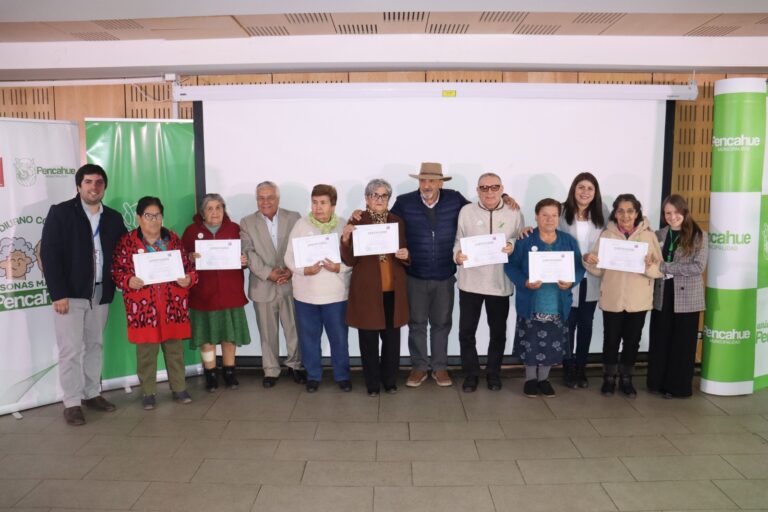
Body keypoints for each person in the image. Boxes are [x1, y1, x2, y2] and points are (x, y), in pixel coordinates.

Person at [390, 163, 518, 388]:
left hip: (444, 274)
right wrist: (360, 214)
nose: (427, 185)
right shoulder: (404, 202)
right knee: (417, 323)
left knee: (442, 323)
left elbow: (484, 205)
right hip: (415, 274)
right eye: (423, 180)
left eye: (432, 180)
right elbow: (389, 226)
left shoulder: (455, 200)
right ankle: (419, 367)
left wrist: (504, 197)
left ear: (441, 182)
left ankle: (440, 367)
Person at [40, 163, 127, 426]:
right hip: (71, 295)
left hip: (101, 293)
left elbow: (125, 251)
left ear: (104, 187)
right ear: (79, 186)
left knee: (95, 346)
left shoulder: (112, 217)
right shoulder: (61, 213)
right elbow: (49, 255)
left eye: (99, 182)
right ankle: (72, 402)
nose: (94, 187)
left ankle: (92, 394)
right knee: (70, 350)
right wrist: (58, 293)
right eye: (88, 182)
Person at [111, 196, 197, 410]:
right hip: (142, 309)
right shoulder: (127, 242)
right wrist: (128, 280)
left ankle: (179, 388)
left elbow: (189, 268)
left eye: (157, 215)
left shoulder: (173, 240)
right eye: (148, 215)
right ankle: (148, 392)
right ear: (139, 218)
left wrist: (189, 279)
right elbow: (116, 270)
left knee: (175, 350)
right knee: (146, 353)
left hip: (172, 306)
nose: (153, 220)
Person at [584, 193, 662, 398]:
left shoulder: (648, 236)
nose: (625, 216)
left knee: (632, 341)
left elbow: (658, 271)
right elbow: (598, 270)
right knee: (610, 340)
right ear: (615, 213)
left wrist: (649, 266)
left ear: (637, 213)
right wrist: (588, 260)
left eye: (630, 211)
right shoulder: (607, 235)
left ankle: (626, 379)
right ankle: (608, 379)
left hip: (638, 300)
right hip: (612, 298)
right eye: (620, 211)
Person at [505, 198, 584, 398]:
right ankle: (531, 379)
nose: (549, 219)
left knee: (552, 344)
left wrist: (571, 281)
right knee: (530, 343)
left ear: (559, 217)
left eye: (554, 215)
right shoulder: (525, 240)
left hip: (557, 305)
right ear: (536, 217)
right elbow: (510, 265)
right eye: (544, 215)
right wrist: (524, 282)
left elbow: (579, 267)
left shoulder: (568, 241)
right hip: (531, 303)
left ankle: (544, 379)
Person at [454, 173, 524, 392]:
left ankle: (494, 372)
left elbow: (520, 237)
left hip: (499, 283)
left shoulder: (514, 211)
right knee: (466, 331)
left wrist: (512, 244)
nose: (489, 192)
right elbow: (458, 240)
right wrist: (457, 255)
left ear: (502, 188)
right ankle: (471, 373)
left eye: (494, 187)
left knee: (498, 333)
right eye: (484, 188)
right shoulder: (466, 212)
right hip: (470, 283)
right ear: (477, 190)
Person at [341, 179, 410, 396]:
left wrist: (407, 255)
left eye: (383, 196)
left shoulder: (397, 221)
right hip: (367, 291)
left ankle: (390, 381)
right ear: (367, 199)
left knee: (391, 341)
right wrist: (345, 238)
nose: (378, 200)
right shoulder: (357, 221)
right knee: (368, 341)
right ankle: (372, 384)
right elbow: (350, 260)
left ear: (389, 198)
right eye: (374, 195)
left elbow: (406, 250)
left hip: (393, 290)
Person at [285, 184, 352, 393]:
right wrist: (305, 270)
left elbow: (353, 258)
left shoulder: (343, 226)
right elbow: (289, 257)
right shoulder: (301, 225)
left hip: (336, 294)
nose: (318, 207)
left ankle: (342, 375)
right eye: (314, 202)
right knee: (309, 338)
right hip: (306, 294)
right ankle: (313, 375)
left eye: (323, 203)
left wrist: (338, 267)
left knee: (339, 337)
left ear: (333, 205)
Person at [240, 181, 307, 388]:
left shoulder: (294, 217)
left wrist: (289, 270)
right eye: (261, 197)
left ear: (278, 198)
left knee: (293, 329)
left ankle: (295, 365)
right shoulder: (246, 222)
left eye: (270, 197)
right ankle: (271, 370)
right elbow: (248, 252)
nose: (265, 201)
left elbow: (299, 247)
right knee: (267, 332)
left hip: (290, 282)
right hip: (263, 285)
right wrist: (269, 274)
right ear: (256, 199)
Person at [182, 193, 250, 392]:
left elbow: (245, 255)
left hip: (230, 293)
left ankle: (230, 373)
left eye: (218, 207)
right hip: (203, 295)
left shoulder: (235, 229)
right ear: (202, 213)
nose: (214, 212)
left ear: (224, 210)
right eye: (210, 208)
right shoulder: (191, 231)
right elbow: (181, 258)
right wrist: (190, 257)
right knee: (206, 338)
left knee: (229, 337)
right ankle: (210, 374)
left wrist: (244, 260)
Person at [648, 194, 707, 398]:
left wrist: (665, 266)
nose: (672, 217)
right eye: (668, 213)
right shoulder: (657, 234)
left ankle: (678, 387)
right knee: (661, 339)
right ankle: (657, 382)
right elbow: (650, 261)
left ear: (684, 212)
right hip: (663, 293)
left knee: (682, 343)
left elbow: (698, 266)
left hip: (687, 297)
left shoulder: (699, 235)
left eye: (676, 212)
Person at [558, 172, 609, 389]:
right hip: (567, 277)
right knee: (567, 325)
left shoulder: (603, 212)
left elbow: (616, 234)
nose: (585, 192)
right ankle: (568, 367)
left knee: (586, 325)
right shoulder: (561, 211)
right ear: (573, 189)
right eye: (581, 187)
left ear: (595, 192)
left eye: (590, 188)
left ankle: (581, 368)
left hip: (591, 277)